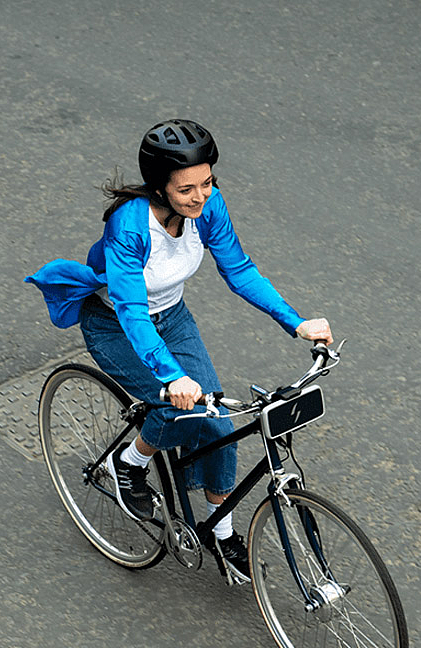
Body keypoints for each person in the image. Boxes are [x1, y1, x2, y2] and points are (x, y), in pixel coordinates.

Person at [27, 119, 332, 575]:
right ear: (158, 187)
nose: (201, 195)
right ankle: (127, 464)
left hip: (172, 317)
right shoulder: (129, 226)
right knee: (176, 407)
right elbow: (131, 312)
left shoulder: (205, 208)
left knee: (216, 420)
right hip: (116, 325)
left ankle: (220, 531)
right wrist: (171, 377)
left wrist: (297, 322)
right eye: (187, 188)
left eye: (208, 182)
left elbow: (240, 269)